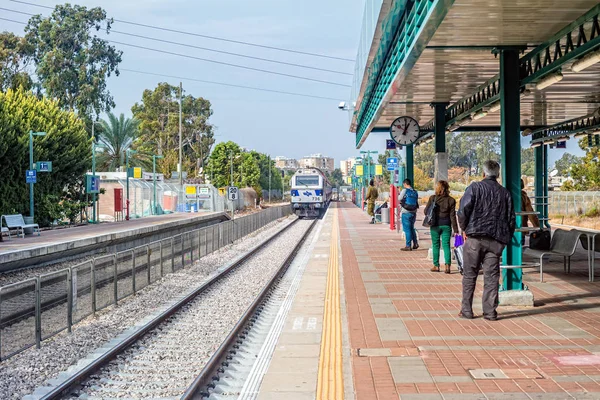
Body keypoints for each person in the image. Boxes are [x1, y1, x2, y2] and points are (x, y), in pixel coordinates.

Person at [457, 160, 515, 321]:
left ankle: (467, 310)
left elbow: (462, 211)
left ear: (483, 173)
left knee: (469, 275)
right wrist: (505, 239)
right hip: (495, 240)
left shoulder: (474, 188)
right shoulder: (505, 193)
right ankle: (490, 312)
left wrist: (465, 229)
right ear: (497, 174)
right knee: (492, 277)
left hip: (475, 238)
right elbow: (511, 219)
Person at [424, 180, 458, 273]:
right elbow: (453, 216)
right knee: (446, 245)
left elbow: (426, 211)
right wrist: (456, 230)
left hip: (435, 225)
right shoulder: (451, 200)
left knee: (436, 245)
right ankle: (447, 266)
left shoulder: (433, 198)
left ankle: (436, 265)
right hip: (446, 225)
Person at [398, 178, 419, 251]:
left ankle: (408, 245)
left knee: (407, 229)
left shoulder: (404, 190)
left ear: (405, 184)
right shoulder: (415, 192)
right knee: (412, 228)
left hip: (406, 212)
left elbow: (399, 198)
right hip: (413, 212)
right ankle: (415, 243)